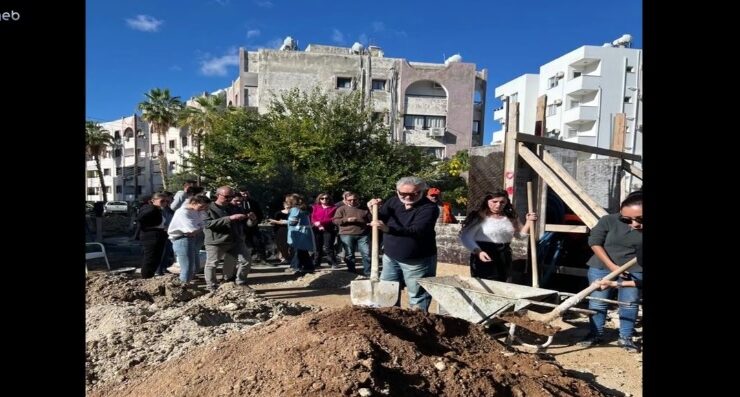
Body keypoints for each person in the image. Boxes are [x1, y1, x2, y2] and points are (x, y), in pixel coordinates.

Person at [579, 191, 643, 353]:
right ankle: (595, 334)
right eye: (627, 219)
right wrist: (613, 267)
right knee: (598, 302)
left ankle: (626, 337)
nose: (634, 224)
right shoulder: (608, 220)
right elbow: (594, 241)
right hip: (601, 267)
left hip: (635, 270)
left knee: (629, 304)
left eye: (640, 219)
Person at [368, 176, 439, 312]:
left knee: (418, 296)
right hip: (390, 257)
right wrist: (373, 210)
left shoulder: (429, 208)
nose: (407, 197)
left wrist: (388, 229)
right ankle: (392, 321)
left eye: (413, 194)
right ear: (397, 191)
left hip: (417, 261)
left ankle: (417, 326)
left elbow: (417, 230)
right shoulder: (393, 201)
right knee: (387, 292)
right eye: (403, 194)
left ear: (422, 191)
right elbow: (380, 218)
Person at [459, 191, 537, 282]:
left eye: (502, 202)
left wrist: (528, 222)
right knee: (486, 283)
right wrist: (478, 252)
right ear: (487, 201)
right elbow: (465, 236)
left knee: (503, 283)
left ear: (506, 202)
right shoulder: (479, 216)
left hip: (504, 255)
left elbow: (520, 236)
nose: (498, 205)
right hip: (484, 253)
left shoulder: (510, 217)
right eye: (494, 202)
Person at [203, 186, 250, 291]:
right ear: (217, 195)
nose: (229, 199)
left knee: (246, 260)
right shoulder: (208, 208)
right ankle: (211, 286)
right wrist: (229, 218)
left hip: (235, 240)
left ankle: (241, 283)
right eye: (227, 196)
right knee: (212, 264)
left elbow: (246, 224)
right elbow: (207, 223)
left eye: (232, 196)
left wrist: (252, 219)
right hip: (216, 241)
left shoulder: (234, 207)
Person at [167, 195, 211, 283]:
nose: (202, 209)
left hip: (191, 238)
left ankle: (187, 283)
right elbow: (192, 229)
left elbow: (204, 223)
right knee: (187, 267)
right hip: (181, 239)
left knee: (194, 266)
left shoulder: (196, 211)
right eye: (201, 206)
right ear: (193, 203)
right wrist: (201, 227)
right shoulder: (183, 212)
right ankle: (182, 286)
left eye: (205, 207)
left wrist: (201, 226)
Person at [333, 191, 371, 275]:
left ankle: (368, 272)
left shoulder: (364, 209)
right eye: (350, 200)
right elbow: (335, 221)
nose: (352, 201)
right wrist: (347, 220)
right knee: (349, 254)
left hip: (362, 234)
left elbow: (370, 220)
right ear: (346, 200)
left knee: (366, 253)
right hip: (347, 234)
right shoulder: (341, 209)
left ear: (358, 199)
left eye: (354, 199)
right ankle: (352, 272)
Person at [136, 193, 171, 278]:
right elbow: (140, 219)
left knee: (156, 258)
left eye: (167, 201)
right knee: (150, 258)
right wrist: (148, 227)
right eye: (162, 201)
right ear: (153, 201)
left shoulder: (158, 209)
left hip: (158, 234)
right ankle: (146, 278)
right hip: (151, 236)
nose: (165, 203)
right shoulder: (151, 209)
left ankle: (149, 276)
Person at [286, 193, 315, 274]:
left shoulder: (295, 209)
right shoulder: (303, 208)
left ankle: (296, 266)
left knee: (299, 250)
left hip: (299, 232)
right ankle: (307, 266)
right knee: (302, 250)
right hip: (305, 230)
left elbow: (293, 221)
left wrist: (285, 221)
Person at [237, 186, 267, 263]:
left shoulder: (253, 202)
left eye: (247, 193)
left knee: (258, 241)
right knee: (244, 243)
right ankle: (245, 259)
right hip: (241, 226)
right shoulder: (237, 203)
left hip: (253, 225)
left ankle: (262, 258)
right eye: (243, 194)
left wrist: (256, 220)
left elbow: (260, 213)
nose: (245, 196)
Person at [311, 193, 339, 269]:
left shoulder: (334, 208)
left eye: (326, 198)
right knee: (317, 247)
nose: (324, 200)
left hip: (329, 229)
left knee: (328, 246)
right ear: (319, 199)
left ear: (329, 199)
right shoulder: (315, 207)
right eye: (322, 198)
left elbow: (333, 219)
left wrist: (321, 223)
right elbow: (313, 217)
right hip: (316, 228)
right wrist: (318, 225)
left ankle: (333, 262)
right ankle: (316, 263)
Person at [268, 195, 292, 265]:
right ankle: (284, 258)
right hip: (281, 230)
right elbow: (275, 223)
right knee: (281, 244)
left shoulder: (292, 213)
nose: (287, 206)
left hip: (290, 229)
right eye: (286, 205)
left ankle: (289, 258)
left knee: (290, 245)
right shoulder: (278, 213)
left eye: (289, 205)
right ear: (283, 205)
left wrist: (281, 222)